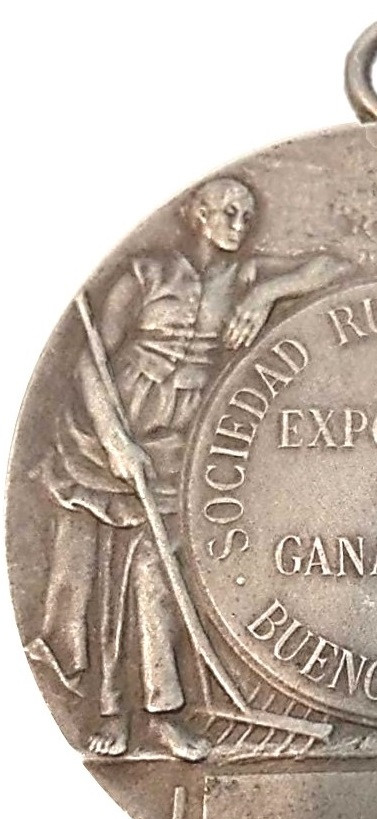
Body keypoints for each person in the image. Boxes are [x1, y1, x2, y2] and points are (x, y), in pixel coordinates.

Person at [32, 177, 346, 760]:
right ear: (197, 216)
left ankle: (163, 713)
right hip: (114, 432)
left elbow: (333, 265)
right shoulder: (144, 274)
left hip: (185, 441)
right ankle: (111, 711)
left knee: (156, 568)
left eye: (246, 214)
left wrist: (266, 293)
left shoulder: (244, 276)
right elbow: (89, 363)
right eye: (226, 211)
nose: (238, 224)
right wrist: (116, 440)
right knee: (109, 576)